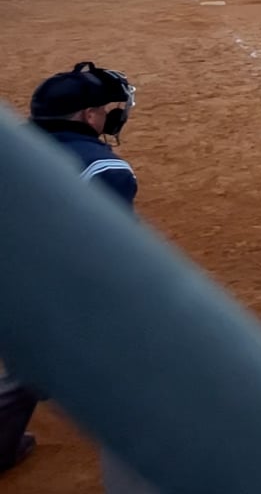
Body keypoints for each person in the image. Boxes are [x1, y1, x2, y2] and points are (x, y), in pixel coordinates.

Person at [7, 62, 156, 491]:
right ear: (89, 116)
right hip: (56, 294)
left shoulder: (12, 147)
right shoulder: (104, 169)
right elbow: (106, 251)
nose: (112, 114)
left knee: (24, 368)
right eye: (106, 109)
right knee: (132, 387)